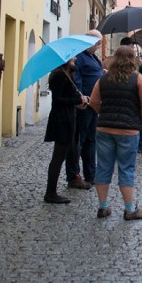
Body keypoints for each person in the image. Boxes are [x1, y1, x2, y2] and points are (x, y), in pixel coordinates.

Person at [87, 45, 142, 220]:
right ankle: (130, 209)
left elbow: (93, 101)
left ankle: (103, 206)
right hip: (128, 131)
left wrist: (103, 113)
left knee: (103, 167)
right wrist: (141, 119)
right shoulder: (138, 79)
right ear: (132, 59)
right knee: (126, 168)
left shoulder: (104, 79)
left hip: (104, 129)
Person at [43, 58, 89, 204]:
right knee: (58, 158)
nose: (75, 59)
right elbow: (58, 100)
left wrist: (78, 101)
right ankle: (50, 193)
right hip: (61, 120)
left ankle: (54, 190)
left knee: (70, 153)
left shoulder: (68, 73)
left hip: (69, 118)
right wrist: (76, 100)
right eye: (73, 57)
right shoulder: (58, 75)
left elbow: (69, 96)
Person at [66, 29, 103, 190]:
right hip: (84, 103)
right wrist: (80, 97)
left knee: (90, 140)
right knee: (79, 141)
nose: (97, 46)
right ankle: (74, 175)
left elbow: (93, 73)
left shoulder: (92, 56)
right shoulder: (79, 57)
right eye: (96, 43)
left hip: (94, 104)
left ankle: (91, 174)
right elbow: (77, 78)